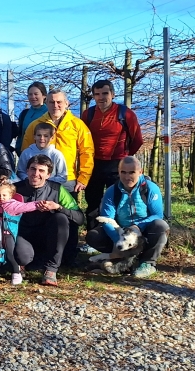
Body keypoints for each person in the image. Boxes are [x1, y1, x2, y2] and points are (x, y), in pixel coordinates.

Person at [86, 156, 169, 278]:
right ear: (118, 172)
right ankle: (120, 257)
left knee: (161, 226)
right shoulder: (112, 191)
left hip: (144, 232)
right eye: (123, 172)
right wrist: (118, 241)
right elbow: (107, 218)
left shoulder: (150, 188)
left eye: (132, 172)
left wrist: (138, 226)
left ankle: (147, 262)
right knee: (94, 236)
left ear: (140, 172)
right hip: (122, 233)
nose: (127, 177)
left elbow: (157, 214)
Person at [14, 155, 85, 286]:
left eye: (41, 171)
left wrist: (58, 207)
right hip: (23, 235)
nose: (36, 174)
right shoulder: (15, 189)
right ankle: (21, 264)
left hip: (49, 238)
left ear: (48, 175)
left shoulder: (57, 190)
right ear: (27, 171)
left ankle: (51, 269)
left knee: (61, 218)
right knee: (23, 256)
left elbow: (80, 218)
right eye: (33, 169)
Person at [83, 79, 144, 214]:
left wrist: (124, 157)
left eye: (105, 93)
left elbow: (137, 140)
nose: (101, 97)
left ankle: (117, 233)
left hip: (118, 165)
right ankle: (94, 233)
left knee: (118, 201)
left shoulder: (126, 114)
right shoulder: (88, 114)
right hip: (94, 164)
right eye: (97, 94)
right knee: (93, 201)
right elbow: (82, 139)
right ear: (93, 96)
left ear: (113, 94)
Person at [21, 89, 95, 194]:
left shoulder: (77, 125)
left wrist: (83, 178)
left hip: (67, 179)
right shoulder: (35, 125)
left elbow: (87, 152)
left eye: (59, 102)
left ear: (66, 103)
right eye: (51, 102)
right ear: (46, 103)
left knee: (66, 210)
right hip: (39, 178)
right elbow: (26, 151)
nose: (55, 105)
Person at [0, 176, 42, 286]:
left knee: (9, 254)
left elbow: (28, 206)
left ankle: (16, 272)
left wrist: (40, 204)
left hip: (7, 234)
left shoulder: (13, 205)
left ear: (10, 195)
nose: (1, 198)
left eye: (4, 195)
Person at [17, 82, 48, 150]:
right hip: (26, 154)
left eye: (36, 94)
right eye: (30, 94)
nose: (33, 97)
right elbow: (20, 135)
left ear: (44, 96)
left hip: (44, 154)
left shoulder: (49, 113)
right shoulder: (24, 113)